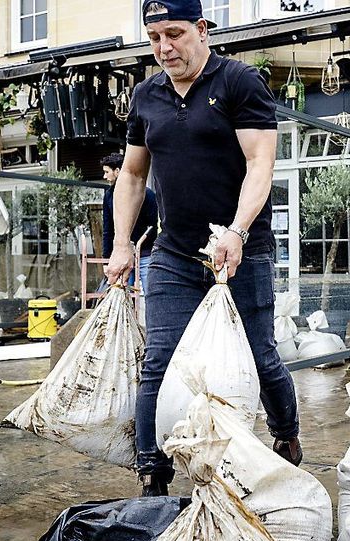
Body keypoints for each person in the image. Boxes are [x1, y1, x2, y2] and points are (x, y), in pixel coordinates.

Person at [105, 0, 301, 497]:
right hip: (172, 253)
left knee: (260, 358)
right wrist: (123, 243)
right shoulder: (146, 95)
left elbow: (260, 164)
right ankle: (153, 477)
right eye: (154, 38)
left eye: (174, 34)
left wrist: (236, 231)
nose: (164, 48)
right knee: (160, 361)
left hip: (242, 250)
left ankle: (286, 437)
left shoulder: (238, 82)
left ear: (201, 28)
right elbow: (131, 173)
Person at [100, 152, 158, 288]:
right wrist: (106, 260)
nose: (104, 176)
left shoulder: (147, 194)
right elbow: (108, 230)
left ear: (117, 171)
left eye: (106, 172)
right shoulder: (109, 196)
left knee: (150, 292)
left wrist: (140, 245)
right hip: (121, 254)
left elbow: (153, 225)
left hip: (145, 254)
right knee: (121, 292)